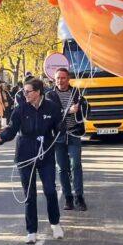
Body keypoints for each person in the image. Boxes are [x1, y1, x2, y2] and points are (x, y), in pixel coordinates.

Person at [0, 78, 65, 243]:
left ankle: (55, 223)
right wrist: (0, 138)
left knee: (50, 190)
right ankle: (31, 230)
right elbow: (11, 129)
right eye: (24, 91)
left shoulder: (52, 107)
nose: (25, 94)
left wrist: (61, 126)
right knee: (29, 194)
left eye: (28, 91)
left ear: (38, 92)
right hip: (25, 154)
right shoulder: (20, 109)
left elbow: (59, 127)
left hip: (46, 154)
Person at [46, 68, 90, 211]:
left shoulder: (76, 92)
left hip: (74, 133)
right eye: (58, 78)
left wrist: (83, 105)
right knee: (62, 168)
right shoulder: (50, 95)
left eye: (63, 78)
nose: (60, 80)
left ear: (68, 78)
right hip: (58, 136)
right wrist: (68, 111)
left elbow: (88, 110)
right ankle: (68, 198)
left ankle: (79, 197)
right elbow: (50, 114)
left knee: (76, 165)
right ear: (54, 79)